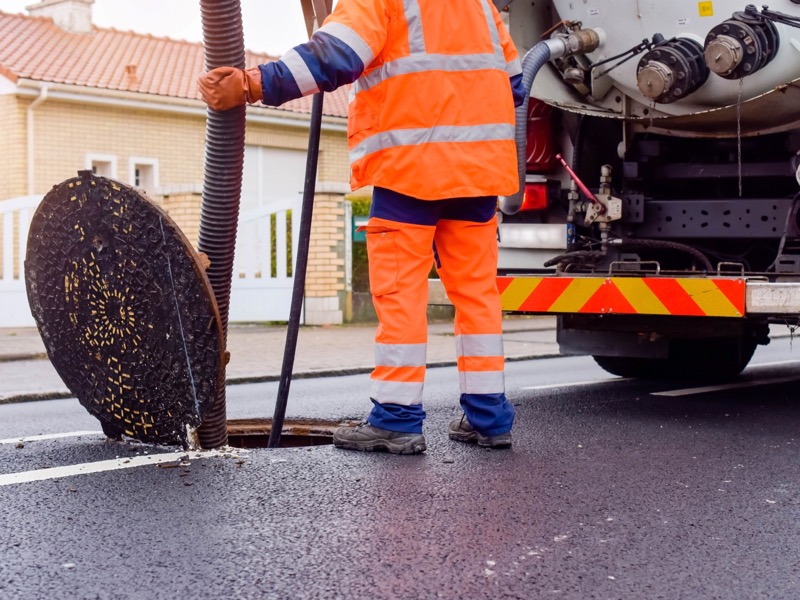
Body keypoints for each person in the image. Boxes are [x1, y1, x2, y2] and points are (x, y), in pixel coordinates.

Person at [198, 0, 525, 454]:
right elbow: (515, 85)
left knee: (401, 295)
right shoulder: (480, 6)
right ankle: (489, 418)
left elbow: (335, 55)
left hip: (410, 169)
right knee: (477, 296)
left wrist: (253, 84)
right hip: (480, 174)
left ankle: (396, 419)